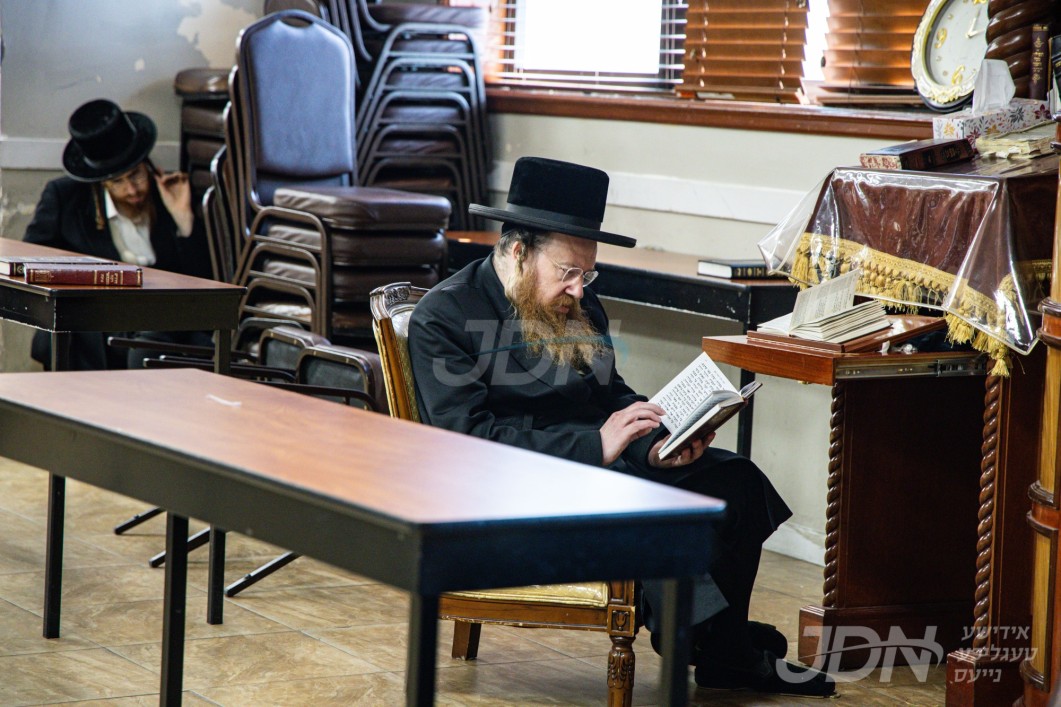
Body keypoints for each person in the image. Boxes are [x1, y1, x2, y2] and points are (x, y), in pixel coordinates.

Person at [407, 156, 835, 696]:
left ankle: (714, 643)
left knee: (736, 480)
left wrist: (655, 443)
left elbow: (612, 395)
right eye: (567, 272)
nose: (578, 289)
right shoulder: (444, 317)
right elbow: (468, 445)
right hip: (510, 488)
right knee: (646, 503)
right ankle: (717, 643)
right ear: (518, 253)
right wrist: (596, 446)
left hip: (601, 464)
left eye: (587, 274)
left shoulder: (579, 305)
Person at [23, 98, 212, 370]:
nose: (132, 190)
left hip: (161, 323)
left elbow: (202, 281)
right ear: (102, 182)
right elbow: (32, 263)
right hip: (95, 326)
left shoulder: (168, 195)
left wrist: (184, 219)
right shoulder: (65, 198)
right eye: (117, 182)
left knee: (152, 346)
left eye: (136, 175)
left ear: (147, 166)